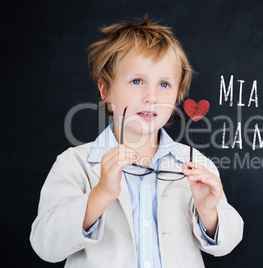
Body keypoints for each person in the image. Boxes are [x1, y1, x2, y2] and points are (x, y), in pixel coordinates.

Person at [30, 17, 243, 267]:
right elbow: (46, 245)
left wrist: (209, 213)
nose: (151, 97)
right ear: (105, 90)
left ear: (176, 96)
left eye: (164, 84)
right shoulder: (74, 164)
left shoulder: (196, 164)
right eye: (137, 81)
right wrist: (100, 195)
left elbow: (228, 241)